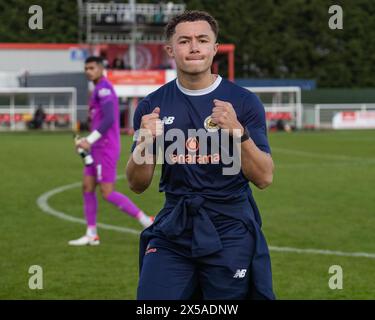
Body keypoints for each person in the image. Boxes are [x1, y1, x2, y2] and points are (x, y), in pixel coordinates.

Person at [126, 11, 275, 299]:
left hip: (230, 227)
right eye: (184, 41)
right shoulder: (152, 105)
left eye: (202, 39)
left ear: (214, 48)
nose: (194, 47)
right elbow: (137, 184)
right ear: (171, 49)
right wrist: (145, 143)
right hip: (174, 226)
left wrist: (238, 133)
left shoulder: (244, 102)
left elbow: (265, 177)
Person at [69, 56, 153, 246]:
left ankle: (147, 221)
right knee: (87, 187)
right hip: (96, 147)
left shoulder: (104, 89)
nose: (88, 71)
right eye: (86, 68)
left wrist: (88, 140)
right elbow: (98, 120)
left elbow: (108, 120)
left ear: (100, 68)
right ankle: (92, 234)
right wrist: (86, 139)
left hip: (105, 147)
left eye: (92, 68)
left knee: (107, 192)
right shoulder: (97, 89)